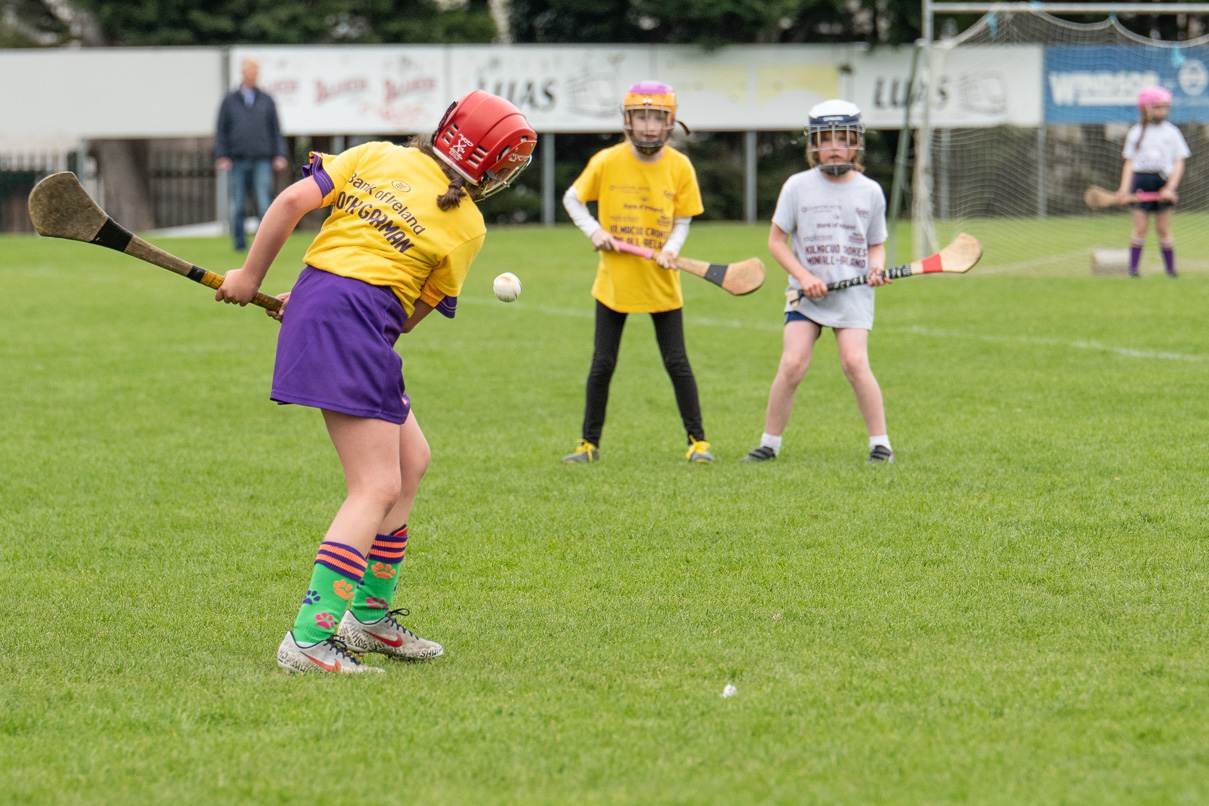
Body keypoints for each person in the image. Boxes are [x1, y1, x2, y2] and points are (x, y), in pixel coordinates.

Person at [214, 91, 537, 673]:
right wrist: (257, 281)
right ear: (489, 165)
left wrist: (264, 280)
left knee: (411, 460)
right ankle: (310, 639)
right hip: (354, 321)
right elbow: (406, 316)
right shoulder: (467, 225)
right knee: (376, 487)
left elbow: (291, 203)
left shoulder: (376, 154)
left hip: (327, 302)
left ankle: (367, 619)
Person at [561, 80, 712, 465]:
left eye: (656, 118)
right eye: (641, 117)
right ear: (628, 120)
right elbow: (573, 199)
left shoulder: (680, 166)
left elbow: (682, 220)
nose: (648, 126)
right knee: (602, 364)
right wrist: (594, 230)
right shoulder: (607, 161)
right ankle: (588, 445)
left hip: (661, 281)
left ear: (670, 122)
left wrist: (671, 250)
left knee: (677, 363)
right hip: (614, 281)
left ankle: (698, 443)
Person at [741, 99, 894, 465]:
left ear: (857, 143)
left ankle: (881, 444)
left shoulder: (870, 191)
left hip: (853, 294)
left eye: (843, 138)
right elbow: (776, 242)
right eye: (827, 139)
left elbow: (876, 245)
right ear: (813, 144)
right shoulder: (796, 187)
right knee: (792, 364)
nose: (835, 146)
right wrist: (806, 276)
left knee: (855, 363)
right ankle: (769, 444)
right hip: (804, 296)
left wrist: (875, 268)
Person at [215, 57, 290, 251]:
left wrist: (279, 154)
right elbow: (221, 130)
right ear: (243, 73)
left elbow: (275, 129)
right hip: (237, 160)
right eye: (249, 71)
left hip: (262, 160)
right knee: (237, 205)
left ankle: (263, 246)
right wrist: (222, 155)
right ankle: (239, 245)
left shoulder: (266, 99)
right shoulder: (230, 100)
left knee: (264, 204)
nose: (252, 75)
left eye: (255, 71)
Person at [1116, 85, 1189, 278]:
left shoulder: (1171, 132)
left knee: (1163, 229)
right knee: (1140, 228)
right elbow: (1130, 163)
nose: (1162, 111)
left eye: (1165, 107)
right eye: (1158, 107)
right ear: (1146, 108)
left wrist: (1170, 188)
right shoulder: (1135, 132)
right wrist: (1124, 190)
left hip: (1163, 181)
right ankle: (1133, 270)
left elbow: (1179, 162)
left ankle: (1171, 271)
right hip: (1142, 181)